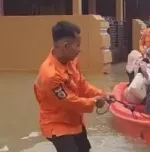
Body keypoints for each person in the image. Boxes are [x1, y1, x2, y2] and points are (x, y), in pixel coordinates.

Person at [33, 21, 113, 152]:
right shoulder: (50, 75)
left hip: (74, 121)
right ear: (65, 46)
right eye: (77, 45)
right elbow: (70, 101)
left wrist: (103, 94)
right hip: (57, 124)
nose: (79, 49)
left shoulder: (71, 61)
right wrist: (94, 101)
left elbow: (82, 85)